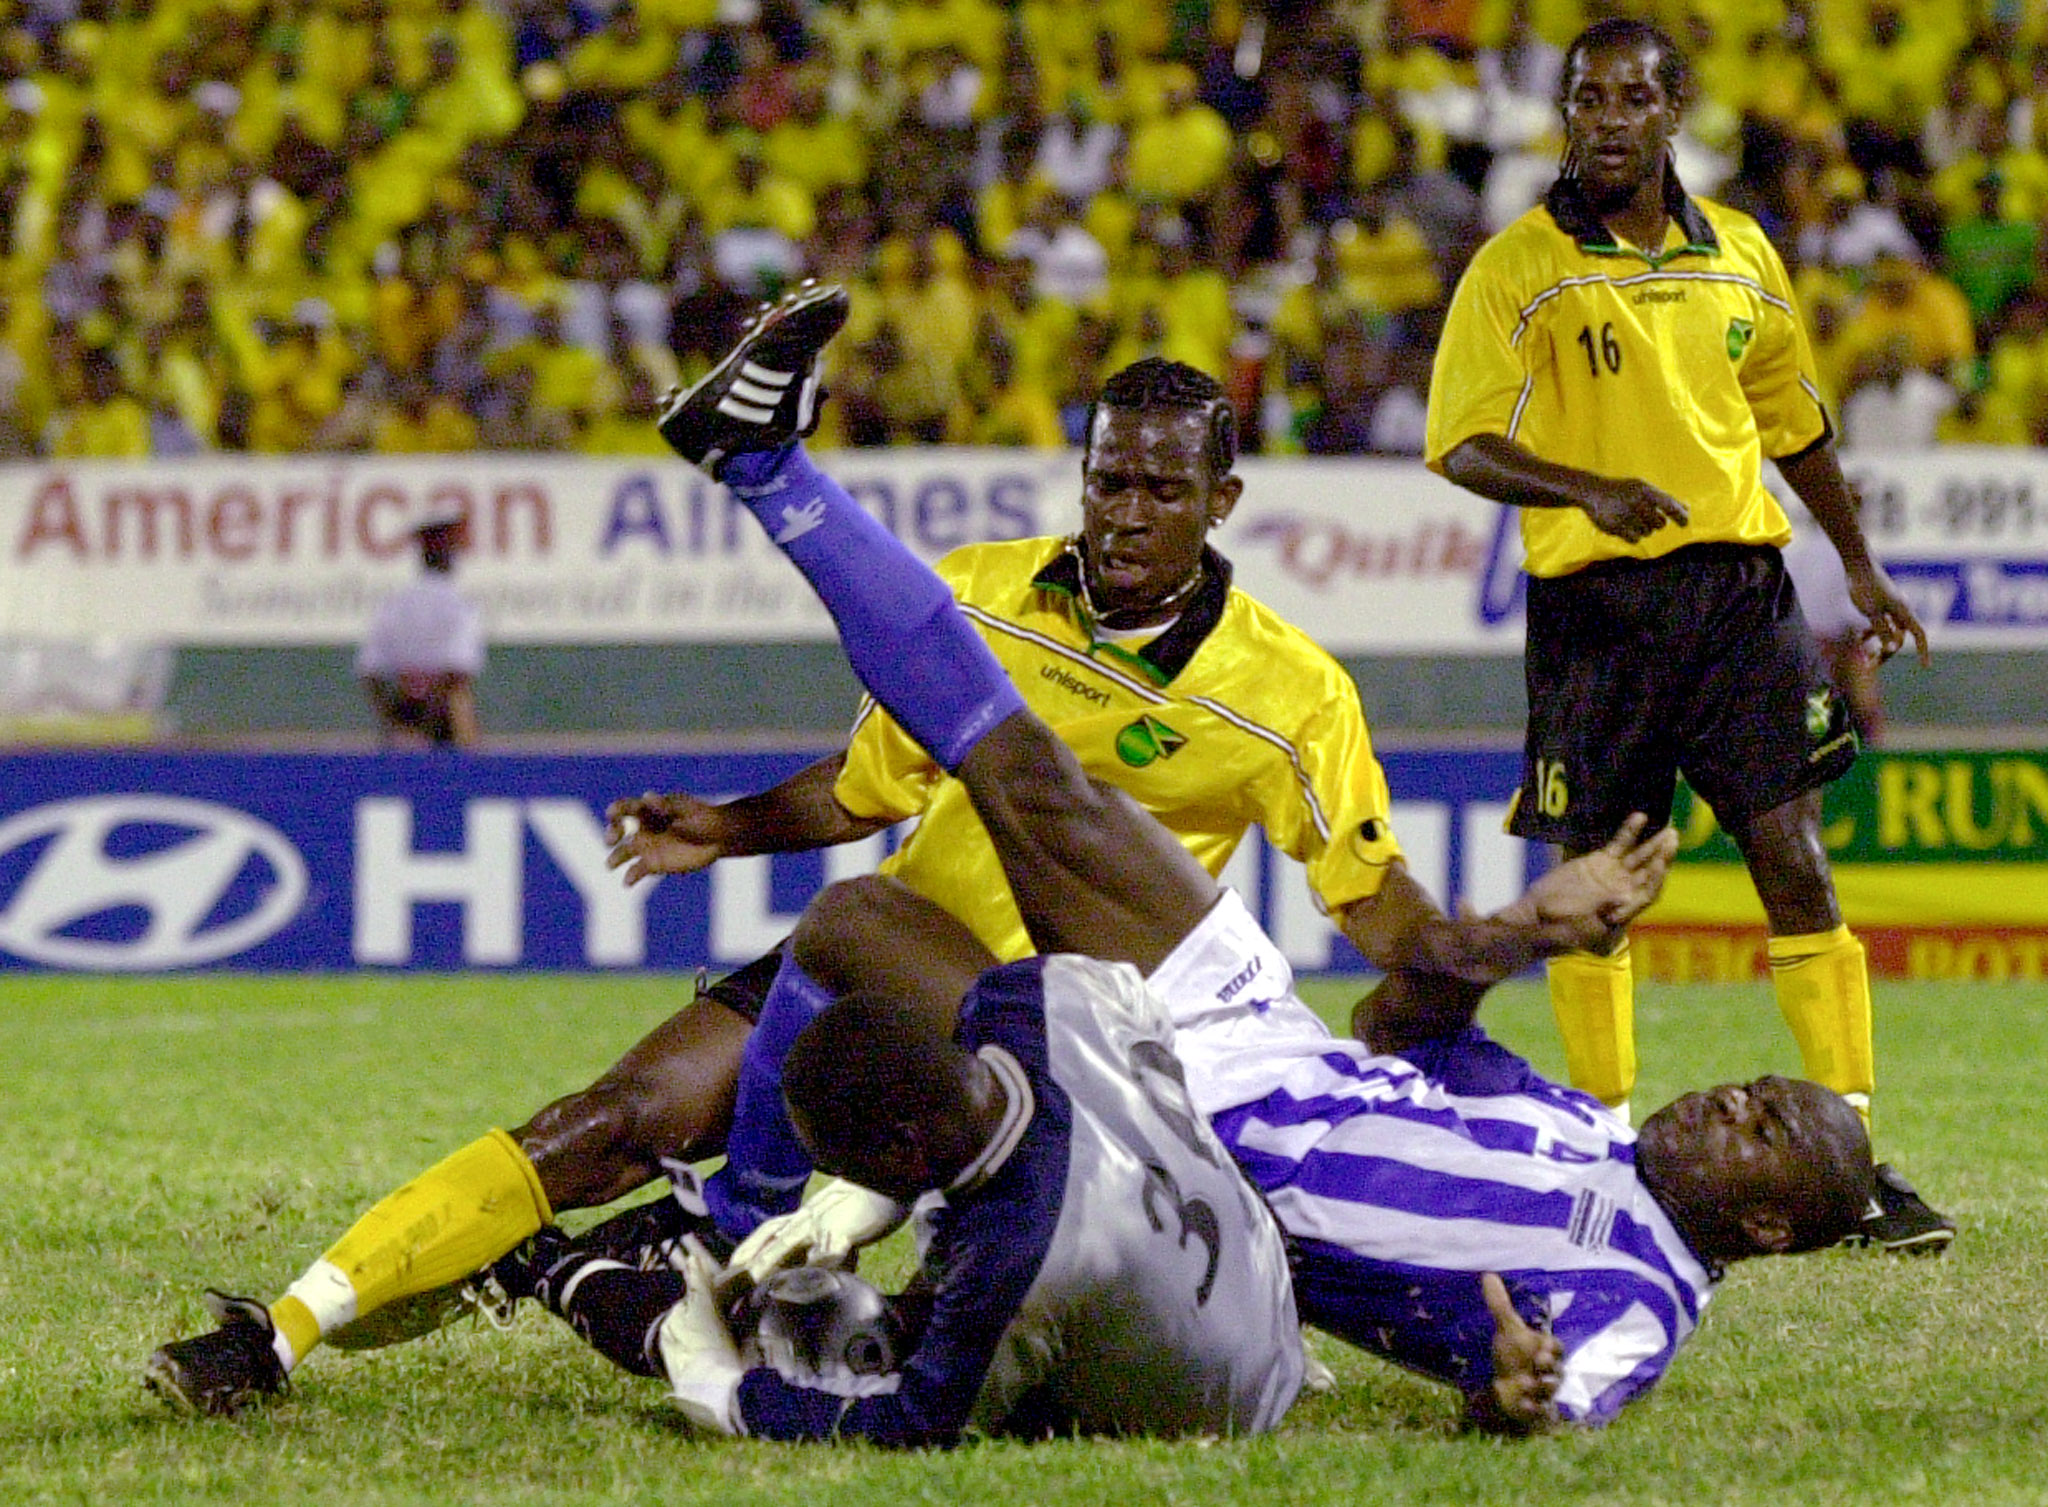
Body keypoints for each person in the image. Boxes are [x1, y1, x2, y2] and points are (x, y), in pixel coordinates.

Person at [141, 298, 1655, 1418]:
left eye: (1160, 487)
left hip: (1031, 1027)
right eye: (1107, 478)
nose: (1126, 512)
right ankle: (280, 1327)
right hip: (873, 948)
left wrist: (1491, 929)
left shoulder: (1292, 688)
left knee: (841, 1241)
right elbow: (871, 783)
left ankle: (676, 1257)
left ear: (1222, 502)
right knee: (610, 1111)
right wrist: (731, 824)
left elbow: (1370, 899)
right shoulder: (980, 595)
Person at [600, 283, 1871, 1432]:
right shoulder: (1569, 1128)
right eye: (1754, 1084)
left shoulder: (1637, 1294)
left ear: (1760, 1222)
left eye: (1755, 1125)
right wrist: (1525, 934)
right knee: (1034, 779)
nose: (1722, 1099)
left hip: (1180, 1153)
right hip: (1250, 1021)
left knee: (857, 928)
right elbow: (1399, 1016)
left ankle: (740, 1234)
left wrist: (1516, 1396)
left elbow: (1542, 1402)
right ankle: (763, 457)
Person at [1420, 18, 1950, 1252]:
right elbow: (1458, 440)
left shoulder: (1742, 253)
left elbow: (1793, 425)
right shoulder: (1517, 263)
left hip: (1738, 598)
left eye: (1629, 96)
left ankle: (1848, 1158)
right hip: (1597, 613)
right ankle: (1605, 1153)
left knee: (1793, 862)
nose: (1603, 116)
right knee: (1598, 903)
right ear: (1563, 115)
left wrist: (1859, 567)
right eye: (1583, 96)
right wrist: (1583, 490)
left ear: (1673, 114)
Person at [492, 963, 1307, 1445]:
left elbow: (915, 1420)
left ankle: (553, 1270)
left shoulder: (1020, 1256)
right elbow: (1139, 1002)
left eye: (841, 1164)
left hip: (1238, 1392)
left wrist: (731, 1393)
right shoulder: (1026, 994)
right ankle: (558, 1268)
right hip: (1264, 1274)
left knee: (814, 1349)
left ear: (905, 1149)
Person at [356, 499, 484, 748]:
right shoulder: (460, 605)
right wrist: (425, 727)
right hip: (446, 727)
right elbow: (457, 676)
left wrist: (400, 725)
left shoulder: (393, 603)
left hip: (404, 718)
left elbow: (370, 674)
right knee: (461, 703)